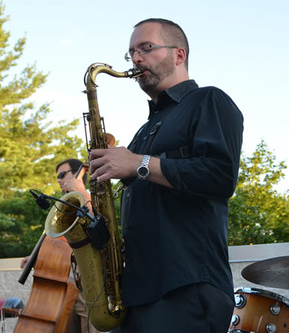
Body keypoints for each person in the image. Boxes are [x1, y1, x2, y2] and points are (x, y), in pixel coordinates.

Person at [88, 18, 244, 332]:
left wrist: (139, 164)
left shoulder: (208, 101)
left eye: (146, 48)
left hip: (185, 286)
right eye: (131, 52)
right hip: (135, 292)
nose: (136, 59)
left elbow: (220, 175)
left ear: (179, 54)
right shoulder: (145, 129)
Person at [20, 158, 101, 333]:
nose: (58, 180)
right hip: (67, 287)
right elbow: (59, 243)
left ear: (78, 174)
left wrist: (80, 191)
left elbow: (96, 227)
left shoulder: (91, 199)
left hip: (88, 284)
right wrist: (38, 256)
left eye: (62, 175)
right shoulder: (64, 205)